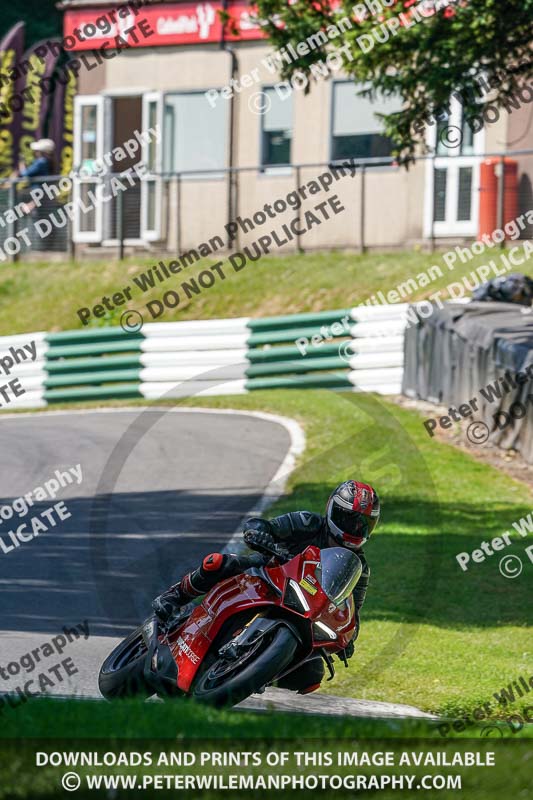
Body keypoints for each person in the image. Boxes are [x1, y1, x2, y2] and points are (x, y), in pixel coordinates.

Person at [152, 480, 380, 694]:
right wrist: (258, 532)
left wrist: (349, 636)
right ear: (333, 511)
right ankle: (176, 596)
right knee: (219, 562)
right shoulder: (308, 523)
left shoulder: (360, 568)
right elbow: (266, 526)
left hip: (307, 609)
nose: (356, 528)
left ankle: (256, 672)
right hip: (271, 573)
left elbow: (352, 609)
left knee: (312, 674)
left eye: (364, 524)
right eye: (350, 519)